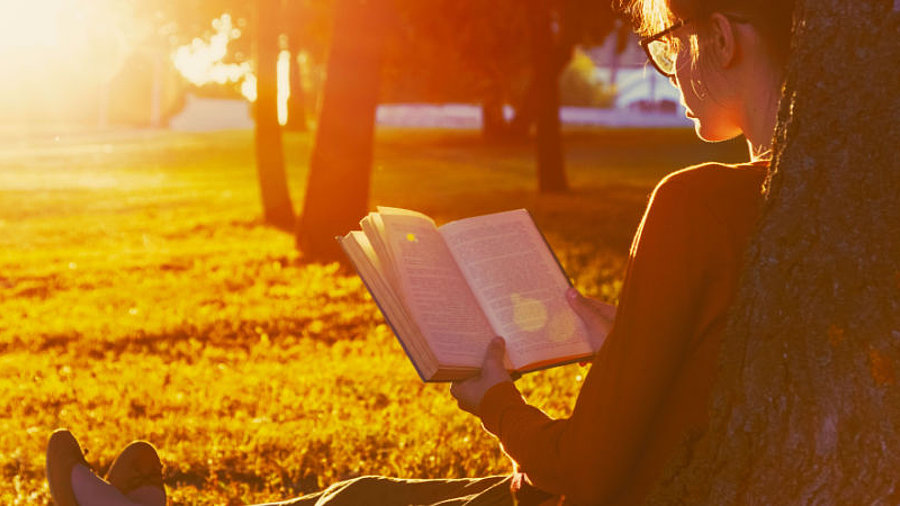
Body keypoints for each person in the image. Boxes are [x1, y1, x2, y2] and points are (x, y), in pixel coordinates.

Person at [45, 0, 797, 503]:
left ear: (723, 38)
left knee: (356, 504)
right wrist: (622, 349)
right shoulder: (799, 205)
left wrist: (495, 402)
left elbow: (590, 475)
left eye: (667, 42)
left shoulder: (697, 203)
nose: (668, 68)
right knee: (361, 494)